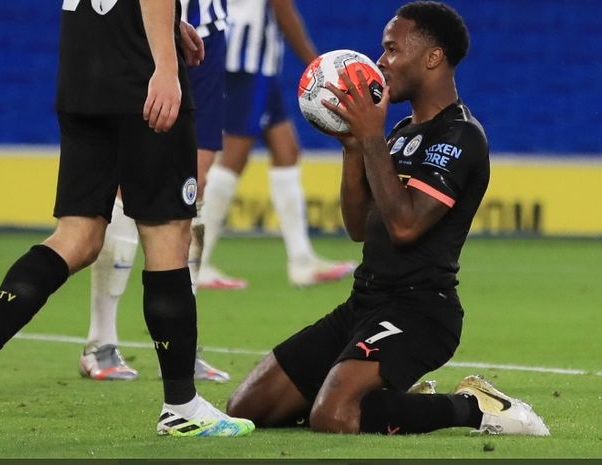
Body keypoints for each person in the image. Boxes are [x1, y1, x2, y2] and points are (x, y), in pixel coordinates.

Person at [226, 1, 550, 436]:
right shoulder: (398, 134)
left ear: (433, 57)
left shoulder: (461, 136)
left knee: (334, 416)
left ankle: (471, 406)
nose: (380, 61)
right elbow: (359, 227)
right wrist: (353, 148)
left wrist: (372, 137)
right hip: (364, 304)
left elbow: (405, 225)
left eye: (392, 49)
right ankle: (387, 403)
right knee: (247, 406)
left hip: (420, 312)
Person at [0, 0, 254, 438]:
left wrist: (170, 24)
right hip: (138, 74)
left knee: (78, 235)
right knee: (168, 236)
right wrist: (164, 65)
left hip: (83, 70)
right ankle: (182, 405)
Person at [78, 0, 232, 383]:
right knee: (125, 181)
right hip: (140, 34)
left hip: (208, 32)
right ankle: (100, 341)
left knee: (192, 191)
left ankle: (185, 345)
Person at [197, 0, 356, 289]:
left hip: (254, 58)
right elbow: (283, 9)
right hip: (246, 59)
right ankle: (197, 260)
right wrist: (316, 65)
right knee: (235, 153)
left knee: (286, 150)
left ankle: (301, 260)